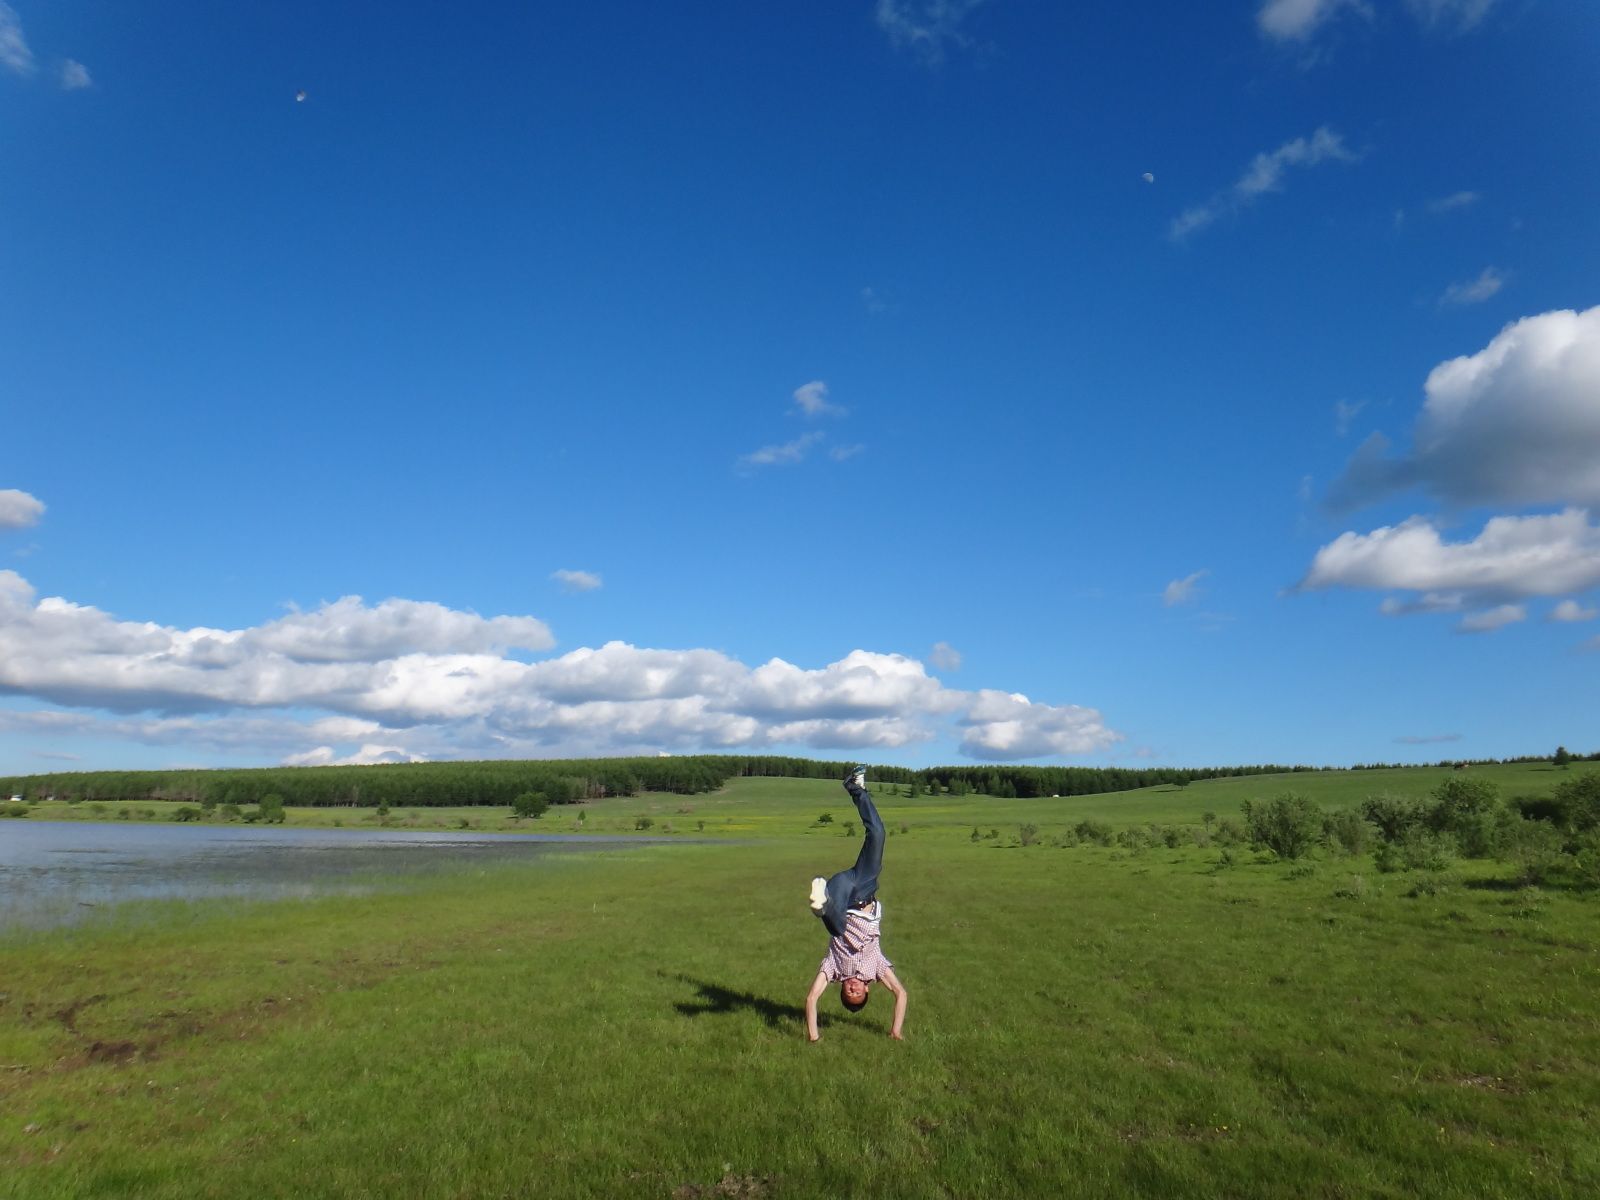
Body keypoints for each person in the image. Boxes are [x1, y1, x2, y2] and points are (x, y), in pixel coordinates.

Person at [804, 766, 908, 1041]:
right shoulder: (877, 969)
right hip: (862, 887)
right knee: (878, 834)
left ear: (841, 988)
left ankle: (821, 906)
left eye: (847, 993)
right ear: (867, 990)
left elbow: (813, 997)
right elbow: (901, 993)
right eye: (857, 993)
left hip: (840, 900)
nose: (852, 989)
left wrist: (814, 1037)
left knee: (837, 929)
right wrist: (896, 1030)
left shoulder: (834, 969)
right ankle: (855, 787)